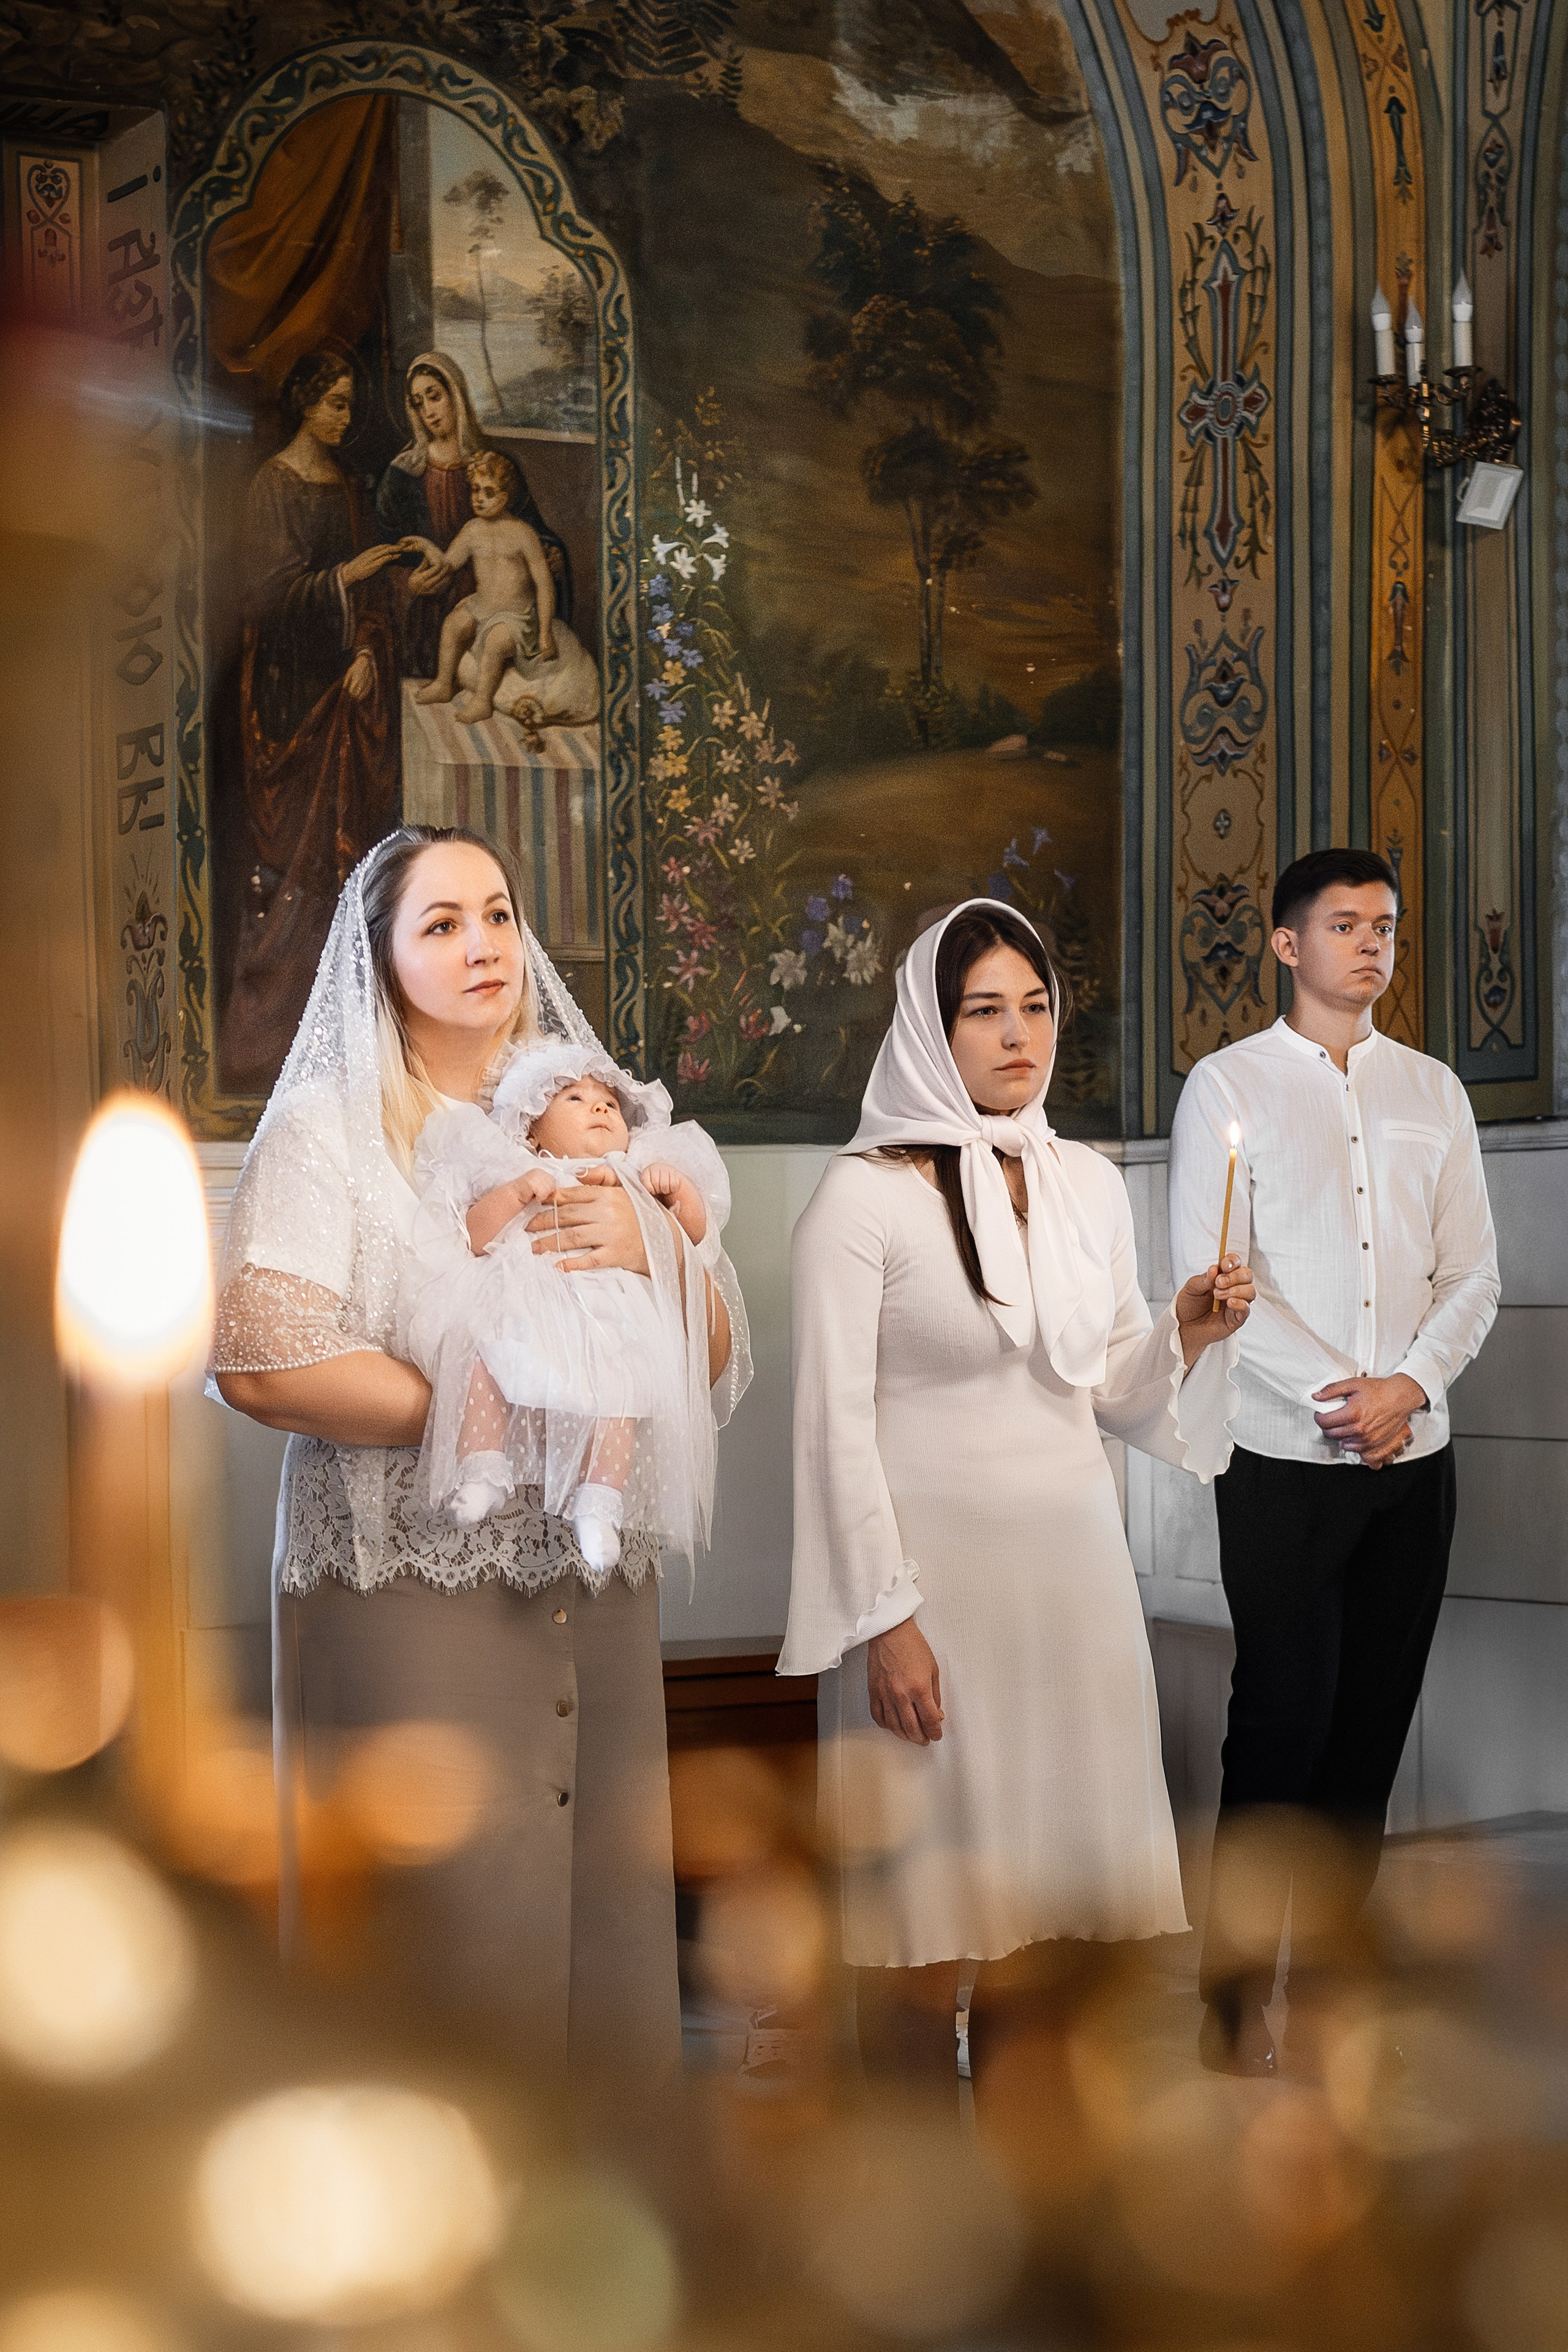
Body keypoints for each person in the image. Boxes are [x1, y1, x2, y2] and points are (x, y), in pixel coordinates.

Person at [213, 823, 750, 2089]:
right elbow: (263, 1357)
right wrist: (491, 1408)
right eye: (442, 923)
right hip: (410, 1586)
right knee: (445, 1950)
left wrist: (657, 1255)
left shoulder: (588, 1117)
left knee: (607, 1934)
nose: (483, 944)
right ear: (382, 959)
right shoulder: (332, 1132)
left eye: (499, 914)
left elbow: (714, 1354)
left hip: (593, 1585)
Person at [778, 899, 1254, 2103]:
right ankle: (905, 2195)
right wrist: (885, 1620)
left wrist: (1186, 1330)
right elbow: (829, 1427)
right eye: (984, 1010)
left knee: (1048, 1927)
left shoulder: (1086, 1182)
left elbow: (1109, 1387)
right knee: (921, 1917)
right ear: (931, 1029)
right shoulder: (861, 1198)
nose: (1017, 1035)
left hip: (1074, 1588)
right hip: (930, 1601)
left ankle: (1033, 2183)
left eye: (1035, 1007)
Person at [1168, 848, 1499, 2078]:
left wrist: (1407, 1388)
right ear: (1284, 943)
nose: (1371, 945)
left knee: (1367, 1737)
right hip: (1281, 1458)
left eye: (1385, 927)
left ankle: (1331, 2008)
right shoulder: (1226, 1087)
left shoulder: (1433, 1092)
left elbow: (1473, 1274)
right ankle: (1227, 2010)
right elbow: (1217, 1284)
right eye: (1345, 924)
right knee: (1279, 1730)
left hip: (1414, 1459)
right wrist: (1344, 1400)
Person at [402, 1038, 729, 1571]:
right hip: (525, 1307)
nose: (599, 1108)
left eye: (609, 1103)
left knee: (619, 1397)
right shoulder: (513, 1168)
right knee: (485, 1359)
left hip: (610, 1322)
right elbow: (474, 1239)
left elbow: (693, 1239)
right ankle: (482, 1468)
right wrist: (514, 1195)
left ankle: (600, 1504)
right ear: (531, 1131)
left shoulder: (635, 1173)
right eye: (574, 1099)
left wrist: (676, 1196)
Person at [221, 350, 405, 1093]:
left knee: (343, 870)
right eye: (335, 402)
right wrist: (346, 576)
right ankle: (268, 1047)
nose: (344, 417)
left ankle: (347, 1053)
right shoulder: (274, 484)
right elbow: (266, 602)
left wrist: (364, 649)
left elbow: (374, 601)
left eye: (351, 403)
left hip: (344, 698)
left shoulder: (351, 487)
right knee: (290, 871)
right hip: (289, 696)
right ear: (304, 401)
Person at [375, 352, 573, 678]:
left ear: (457, 395)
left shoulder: (493, 466)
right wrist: (409, 583)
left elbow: (532, 531)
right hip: (428, 615)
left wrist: (552, 554)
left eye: (435, 397)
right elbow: (385, 554)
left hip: (498, 606)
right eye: (419, 403)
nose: (429, 412)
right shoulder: (402, 475)